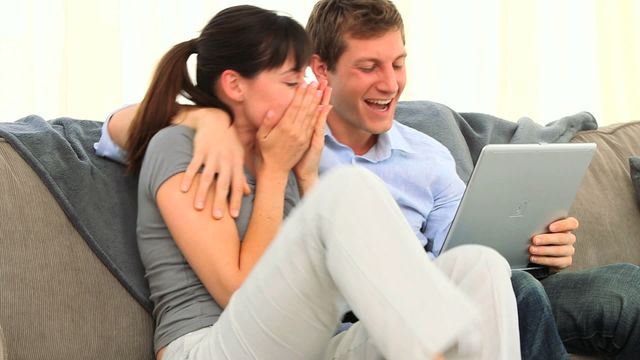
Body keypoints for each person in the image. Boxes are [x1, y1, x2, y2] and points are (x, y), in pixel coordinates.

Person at [98, 1, 640, 359]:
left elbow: (318, 263)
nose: (301, 94)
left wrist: (299, 172)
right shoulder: (190, 145)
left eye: (398, 63)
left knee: (483, 268)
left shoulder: (293, 151)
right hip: (213, 343)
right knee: (353, 193)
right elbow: (242, 292)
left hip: (319, 333)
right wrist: (204, 118)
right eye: (292, 81)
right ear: (236, 85)